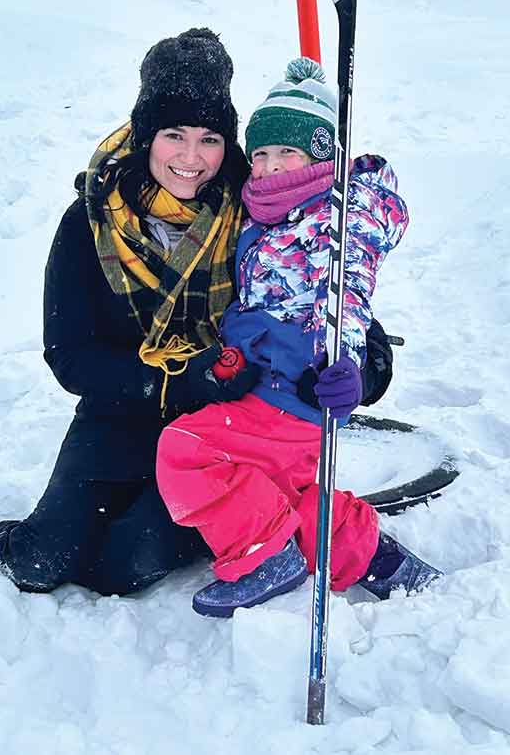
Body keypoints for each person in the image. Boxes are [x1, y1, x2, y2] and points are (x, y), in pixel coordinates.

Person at [0, 31, 394, 597]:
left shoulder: (259, 209)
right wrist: (178, 379)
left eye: (209, 139)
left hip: (224, 434)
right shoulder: (91, 222)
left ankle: (292, 523)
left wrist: (362, 374)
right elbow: (69, 355)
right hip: (123, 411)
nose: (191, 159)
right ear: (147, 136)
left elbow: (344, 309)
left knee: (126, 566)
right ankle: (4, 548)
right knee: (45, 560)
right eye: (174, 136)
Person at [156, 57, 442, 617]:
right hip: (269, 386)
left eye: (286, 152)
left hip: (296, 391)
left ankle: (263, 557)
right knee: (281, 492)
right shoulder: (270, 211)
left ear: (320, 156)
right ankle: (376, 558)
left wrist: (349, 365)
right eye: (260, 153)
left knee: (188, 450)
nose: (268, 166)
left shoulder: (338, 218)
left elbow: (347, 296)